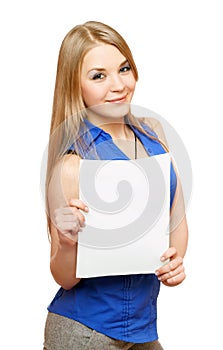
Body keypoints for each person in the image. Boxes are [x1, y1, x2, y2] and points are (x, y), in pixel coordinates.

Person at [43, 20, 188, 350]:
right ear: (74, 85)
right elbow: (64, 277)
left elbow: (176, 220)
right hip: (84, 333)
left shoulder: (153, 135)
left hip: (142, 328)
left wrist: (175, 260)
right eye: (98, 76)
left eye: (124, 68)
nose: (118, 84)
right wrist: (67, 242)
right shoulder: (72, 164)